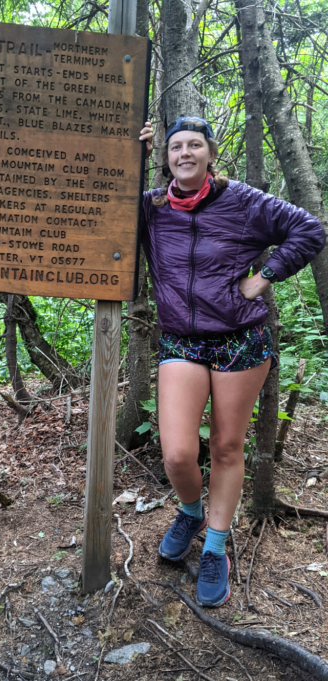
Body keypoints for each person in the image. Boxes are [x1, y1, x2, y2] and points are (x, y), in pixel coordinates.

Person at [137, 116, 324, 607]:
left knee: (225, 446)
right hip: (181, 338)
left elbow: (308, 229)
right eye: (176, 147)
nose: (184, 154)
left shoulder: (243, 201)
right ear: (166, 157)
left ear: (210, 152)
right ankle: (191, 511)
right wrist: (129, 153)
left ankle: (215, 547)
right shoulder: (153, 207)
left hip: (240, 338)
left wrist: (263, 277)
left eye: (194, 145)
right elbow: (102, 209)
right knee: (178, 453)